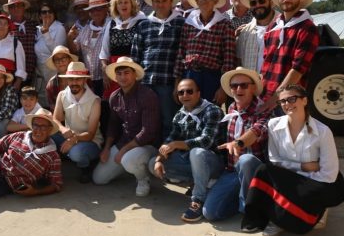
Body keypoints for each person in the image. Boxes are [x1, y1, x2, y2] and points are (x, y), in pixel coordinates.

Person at [242, 84, 344, 236]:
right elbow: (274, 159)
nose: (287, 104)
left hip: (316, 181)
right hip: (292, 176)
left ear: (304, 100)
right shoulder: (274, 124)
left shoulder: (323, 131)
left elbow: (329, 174)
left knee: (307, 194)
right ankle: (276, 217)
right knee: (263, 171)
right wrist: (302, 167)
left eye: (292, 99)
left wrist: (298, 183)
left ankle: (291, 215)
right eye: (282, 101)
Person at [150, 78, 225, 222]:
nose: (185, 95)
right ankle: (198, 183)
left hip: (215, 163)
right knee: (153, 163)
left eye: (189, 91)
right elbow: (170, 139)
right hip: (193, 162)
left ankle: (198, 199)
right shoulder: (180, 114)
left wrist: (178, 144)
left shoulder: (212, 110)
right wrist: (160, 159)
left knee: (197, 152)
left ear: (198, 93)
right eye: (181, 92)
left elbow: (206, 141)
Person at [202, 67, 271, 222]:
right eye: (234, 86)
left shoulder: (263, 109)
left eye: (244, 85)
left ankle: (249, 209)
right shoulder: (232, 108)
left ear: (253, 88)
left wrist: (238, 143)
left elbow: (258, 131)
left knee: (246, 160)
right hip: (232, 171)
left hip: (254, 173)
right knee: (210, 213)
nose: (238, 89)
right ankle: (241, 198)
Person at [92, 57, 160, 196]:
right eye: (119, 73)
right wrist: (106, 148)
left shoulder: (147, 95)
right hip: (124, 142)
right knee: (99, 179)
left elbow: (148, 132)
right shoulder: (114, 97)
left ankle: (143, 178)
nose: (123, 77)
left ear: (135, 74)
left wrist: (123, 150)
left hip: (147, 145)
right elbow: (113, 125)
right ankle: (131, 166)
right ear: (115, 77)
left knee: (128, 159)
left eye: (127, 72)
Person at [131, 0, 184, 139]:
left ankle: (166, 152)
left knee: (169, 119)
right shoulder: (144, 24)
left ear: (171, 3)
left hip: (168, 81)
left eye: (164, 1)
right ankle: (149, 150)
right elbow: (136, 54)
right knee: (147, 120)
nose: (160, 4)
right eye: (157, 1)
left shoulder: (180, 23)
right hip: (146, 81)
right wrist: (136, 82)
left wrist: (177, 83)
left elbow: (181, 54)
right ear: (152, 3)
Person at [260, 0, 319, 112]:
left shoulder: (307, 28)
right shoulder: (273, 27)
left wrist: (276, 98)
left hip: (289, 99)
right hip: (267, 95)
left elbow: (298, 69)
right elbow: (266, 63)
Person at [174, 0, 236, 105]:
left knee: (210, 112)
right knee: (190, 113)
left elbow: (229, 59)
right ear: (197, 1)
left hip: (211, 77)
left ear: (215, 1)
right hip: (189, 74)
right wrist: (177, 81)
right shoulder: (189, 23)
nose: (205, 1)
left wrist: (223, 88)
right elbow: (181, 52)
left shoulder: (224, 24)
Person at [52, 62, 104, 183]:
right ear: (67, 80)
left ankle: (86, 167)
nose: (74, 82)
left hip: (90, 141)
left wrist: (74, 139)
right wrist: (63, 129)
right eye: (71, 79)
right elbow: (55, 119)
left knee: (76, 152)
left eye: (78, 79)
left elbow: (91, 134)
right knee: (47, 132)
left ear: (84, 80)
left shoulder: (95, 101)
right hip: (70, 136)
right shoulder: (62, 95)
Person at [98, 0, 146, 99]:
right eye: (120, 3)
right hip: (115, 69)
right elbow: (104, 50)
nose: (123, 5)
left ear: (132, 4)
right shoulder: (111, 23)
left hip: (133, 68)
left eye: (126, 2)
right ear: (116, 6)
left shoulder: (142, 22)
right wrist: (105, 70)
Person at [68, 0, 109, 96]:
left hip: (107, 78)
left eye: (99, 9)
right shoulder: (86, 29)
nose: (96, 12)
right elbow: (75, 49)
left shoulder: (112, 25)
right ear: (89, 13)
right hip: (89, 79)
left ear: (106, 9)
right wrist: (69, 38)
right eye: (92, 10)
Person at [236, 0, 276, 73]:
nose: (258, 5)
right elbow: (238, 61)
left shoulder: (284, 26)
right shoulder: (245, 31)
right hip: (251, 85)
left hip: (275, 84)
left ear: (270, 2)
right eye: (253, 3)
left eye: (261, 1)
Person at [34, 2, 67, 95]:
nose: (47, 14)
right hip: (40, 73)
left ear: (54, 14)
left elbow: (57, 52)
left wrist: (46, 34)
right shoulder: (37, 29)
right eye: (44, 12)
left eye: (50, 12)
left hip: (54, 71)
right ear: (40, 16)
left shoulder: (60, 28)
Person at [4, 0, 38, 86]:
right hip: (10, 76)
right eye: (12, 6)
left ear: (24, 7)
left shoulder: (33, 25)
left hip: (31, 74)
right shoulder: (3, 26)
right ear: (9, 10)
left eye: (19, 5)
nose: (16, 8)